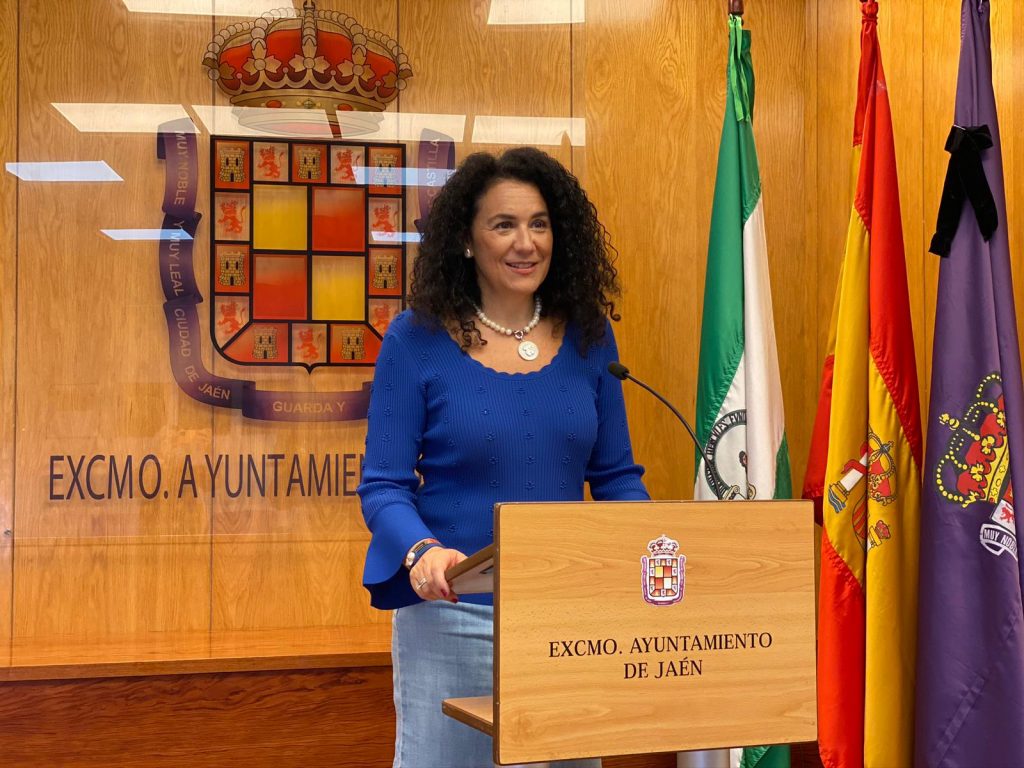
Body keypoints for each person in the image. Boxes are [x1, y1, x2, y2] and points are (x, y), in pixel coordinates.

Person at [358, 146, 649, 768]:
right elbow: (383, 485)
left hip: (567, 623)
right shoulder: (415, 338)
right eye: (504, 225)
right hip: (452, 617)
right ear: (467, 241)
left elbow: (617, 477)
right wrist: (422, 552)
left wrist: (654, 544)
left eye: (539, 224)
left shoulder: (591, 336)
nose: (526, 243)